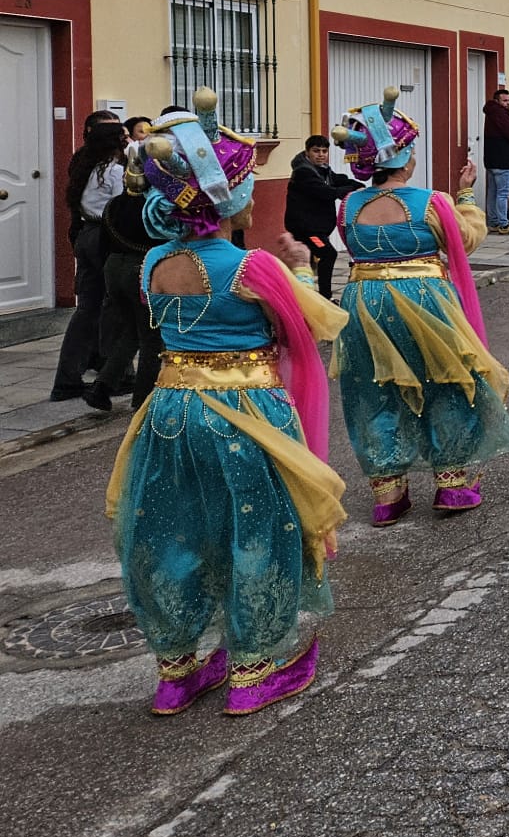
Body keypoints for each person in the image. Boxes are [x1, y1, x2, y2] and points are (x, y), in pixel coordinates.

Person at [106, 93, 348, 716]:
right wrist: (300, 268)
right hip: (245, 413)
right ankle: (253, 670)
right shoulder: (251, 266)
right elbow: (316, 323)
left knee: (170, 529)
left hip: (169, 412)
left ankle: (176, 670)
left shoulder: (154, 262)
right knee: (257, 530)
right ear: (227, 198)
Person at [331, 86, 509, 524]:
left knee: (373, 390)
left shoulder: (348, 206)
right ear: (403, 157)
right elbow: (464, 243)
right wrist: (466, 197)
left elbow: (354, 250)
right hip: (425, 298)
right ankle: (451, 483)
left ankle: (388, 493)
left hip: (364, 301)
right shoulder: (431, 202)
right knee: (446, 382)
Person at [50, 112, 128, 401]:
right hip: (106, 237)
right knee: (114, 307)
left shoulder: (86, 166)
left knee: (87, 309)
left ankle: (67, 378)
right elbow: (122, 205)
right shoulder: (115, 171)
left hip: (86, 234)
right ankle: (116, 374)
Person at [92, 144, 166, 411]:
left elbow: (103, 243)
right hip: (141, 271)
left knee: (131, 333)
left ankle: (102, 387)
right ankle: (143, 400)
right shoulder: (154, 208)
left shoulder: (114, 205)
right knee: (151, 339)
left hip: (113, 268)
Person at [284, 135, 363, 298]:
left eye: (324, 151)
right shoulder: (303, 172)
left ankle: (302, 296)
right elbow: (327, 192)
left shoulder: (323, 170)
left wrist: (360, 186)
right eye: (316, 151)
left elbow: (339, 180)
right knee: (328, 254)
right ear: (307, 152)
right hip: (308, 231)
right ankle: (325, 296)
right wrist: (351, 190)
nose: (321, 155)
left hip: (316, 229)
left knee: (306, 262)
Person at [482, 87, 509, 233]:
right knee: (503, 193)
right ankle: (503, 224)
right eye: (505, 100)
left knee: (493, 192)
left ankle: (493, 222)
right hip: (503, 161)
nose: (508, 103)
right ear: (497, 101)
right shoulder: (500, 114)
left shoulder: (491, 113)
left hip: (491, 161)